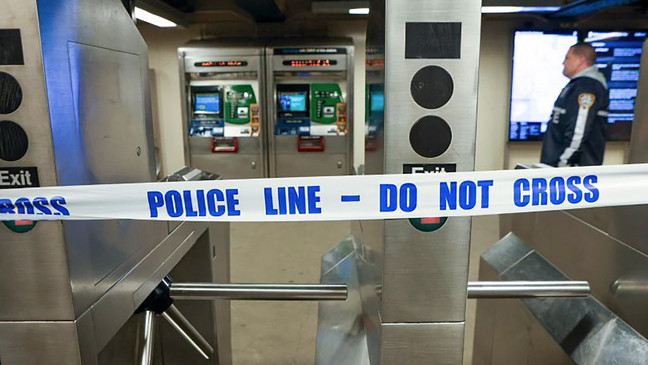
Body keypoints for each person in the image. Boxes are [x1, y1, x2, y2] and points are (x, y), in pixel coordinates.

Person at [541, 42, 609, 167]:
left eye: (567, 58)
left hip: (573, 170)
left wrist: (564, 162)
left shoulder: (587, 86)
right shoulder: (577, 85)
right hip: (563, 167)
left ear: (580, 60)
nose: (563, 63)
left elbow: (579, 128)